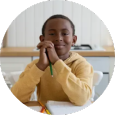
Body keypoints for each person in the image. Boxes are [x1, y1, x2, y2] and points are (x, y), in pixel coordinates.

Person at [11, 14, 94, 106]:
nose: (58, 38)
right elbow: (17, 97)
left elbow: (82, 99)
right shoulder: (36, 65)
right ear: (42, 40)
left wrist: (57, 62)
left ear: (73, 40)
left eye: (65, 33)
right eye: (52, 34)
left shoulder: (81, 64)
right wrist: (40, 67)